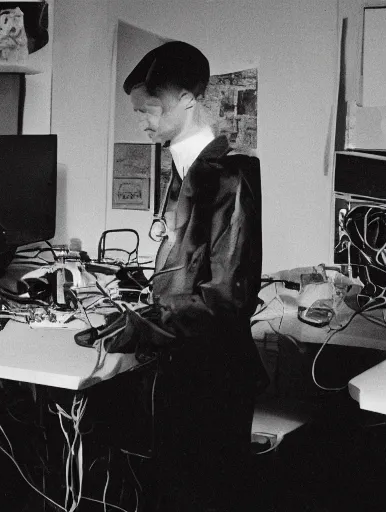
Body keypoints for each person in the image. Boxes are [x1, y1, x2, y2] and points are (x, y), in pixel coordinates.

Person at [121, 41, 265, 511]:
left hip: (212, 381)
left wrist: (143, 324)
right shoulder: (186, 168)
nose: (141, 121)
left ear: (187, 98)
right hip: (181, 372)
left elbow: (225, 298)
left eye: (149, 110)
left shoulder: (229, 177)